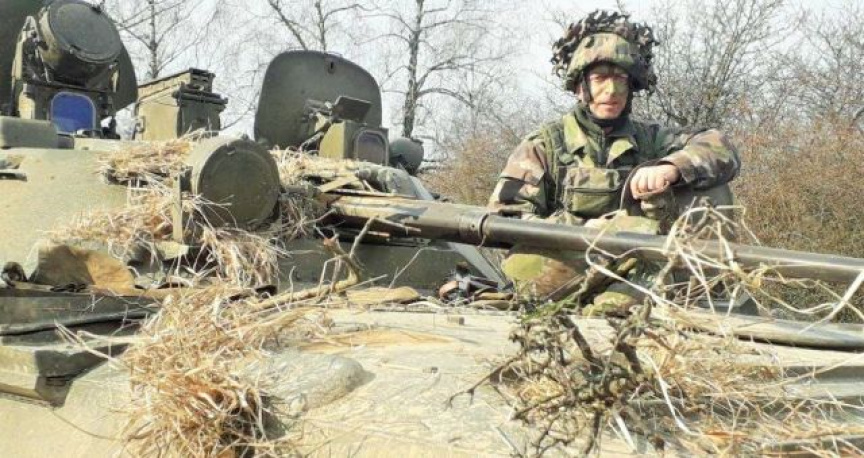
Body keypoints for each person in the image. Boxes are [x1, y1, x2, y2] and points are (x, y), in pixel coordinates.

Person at [487, 10, 740, 310]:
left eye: (620, 78)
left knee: (710, 189)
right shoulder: (544, 145)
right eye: (600, 78)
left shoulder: (651, 140)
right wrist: (594, 230)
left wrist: (671, 168)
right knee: (629, 233)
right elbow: (504, 223)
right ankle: (620, 298)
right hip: (560, 273)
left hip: (636, 269)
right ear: (580, 86)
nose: (612, 90)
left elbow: (721, 149)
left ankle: (644, 298)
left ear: (631, 86)